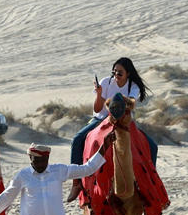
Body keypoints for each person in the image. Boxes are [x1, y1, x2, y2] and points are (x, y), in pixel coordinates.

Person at [66, 57, 156, 202]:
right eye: (114, 72)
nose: (116, 76)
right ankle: (76, 183)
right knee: (77, 140)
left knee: (152, 146)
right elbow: (97, 109)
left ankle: (151, 184)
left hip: (124, 120)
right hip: (101, 118)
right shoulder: (106, 82)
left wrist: (122, 102)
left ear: (128, 74)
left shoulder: (133, 86)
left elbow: (130, 103)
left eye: (120, 73)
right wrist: (100, 94)